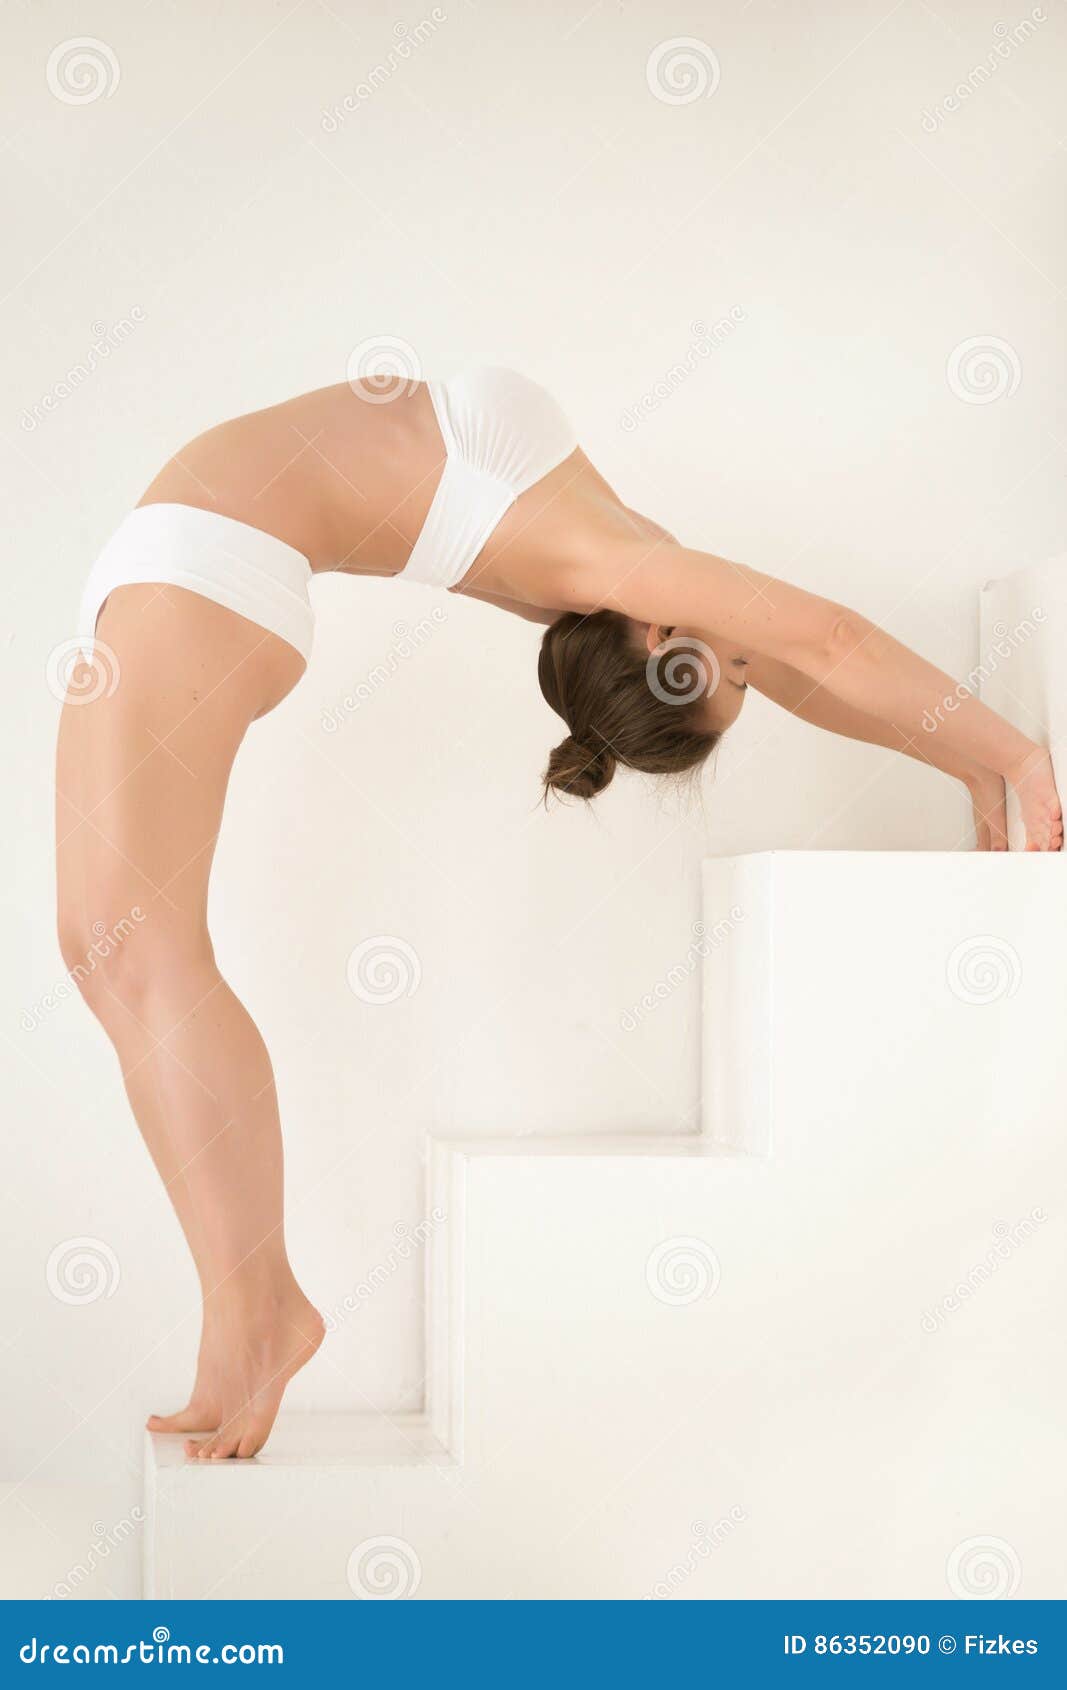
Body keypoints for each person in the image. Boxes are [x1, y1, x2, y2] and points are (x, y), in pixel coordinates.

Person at [55, 364, 1061, 1460]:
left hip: (209, 563)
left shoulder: (602, 562)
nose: (740, 636)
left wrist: (994, 755)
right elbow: (817, 656)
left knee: (137, 952)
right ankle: (244, 1322)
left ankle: (254, 1317)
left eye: (720, 655)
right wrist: (979, 758)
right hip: (193, 555)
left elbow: (813, 652)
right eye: (732, 656)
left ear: (645, 640)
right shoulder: (614, 555)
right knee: (103, 950)